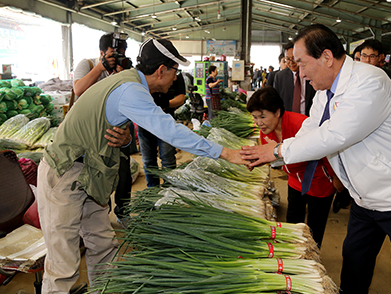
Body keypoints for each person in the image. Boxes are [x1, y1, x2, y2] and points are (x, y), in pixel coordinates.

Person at [37, 38, 248, 294]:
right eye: (174, 71)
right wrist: (225, 153)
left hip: (90, 176)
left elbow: (108, 121)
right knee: (64, 264)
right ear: (161, 70)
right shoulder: (131, 89)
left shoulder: (129, 82)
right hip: (65, 174)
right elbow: (169, 130)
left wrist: (125, 137)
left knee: (103, 246)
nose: (174, 79)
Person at [241, 24, 391, 294]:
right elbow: (313, 128)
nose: (299, 71)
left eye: (301, 63)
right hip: (364, 197)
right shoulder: (324, 91)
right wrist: (278, 150)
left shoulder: (370, 81)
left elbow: (335, 135)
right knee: (355, 263)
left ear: (325, 57)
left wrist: (277, 151)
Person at [247, 86, 341, 248]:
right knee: (292, 222)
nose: (259, 123)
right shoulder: (265, 129)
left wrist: (336, 177)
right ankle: (294, 254)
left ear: (277, 112)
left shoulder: (301, 124)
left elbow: (326, 151)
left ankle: (312, 256)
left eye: (263, 116)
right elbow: (272, 155)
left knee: (314, 227)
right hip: (294, 180)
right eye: (255, 117)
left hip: (318, 181)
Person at [72, 32, 133, 225]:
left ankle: (123, 213)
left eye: (121, 53)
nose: (117, 57)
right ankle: (99, 217)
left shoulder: (121, 70)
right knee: (96, 175)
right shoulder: (88, 65)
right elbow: (78, 90)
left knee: (124, 174)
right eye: (114, 54)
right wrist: (101, 67)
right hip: (90, 133)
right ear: (101, 52)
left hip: (115, 131)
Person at [137, 74, 186, 187]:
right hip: (145, 123)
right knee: (148, 161)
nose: (173, 78)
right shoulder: (142, 74)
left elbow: (181, 98)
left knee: (168, 159)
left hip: (166, 123)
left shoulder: (176, 74)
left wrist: (165, 104)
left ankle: (168, 191)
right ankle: (152, 190)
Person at [274, 41, 315, 116]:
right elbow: (276, 101)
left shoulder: (311, 74)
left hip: (309, 118)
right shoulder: (280, 77)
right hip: (288, 119)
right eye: (288, 59)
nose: (291, 62)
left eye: (294, 58)